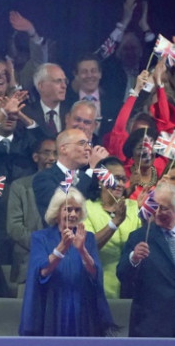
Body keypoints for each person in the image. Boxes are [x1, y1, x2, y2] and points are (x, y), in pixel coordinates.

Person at [117, 182, 175, 337]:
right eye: (155, 206)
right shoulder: (139, 237)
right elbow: (122, 275)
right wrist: (133, 258)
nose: (158, 212)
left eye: (164, 208)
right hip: (149, 327)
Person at [19, 187, 114, 336]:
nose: (73, 214)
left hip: (82, 305)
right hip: (51, 305)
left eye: (77, 210)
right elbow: (41, 272)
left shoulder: (87, 238)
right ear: (57, 212)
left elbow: (95, 273)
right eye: (68, 209)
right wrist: (61, 248)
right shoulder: (40, 238)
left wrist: (82, 250)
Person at [83, 157, 140, 299]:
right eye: (116, 179)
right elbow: (87, 246)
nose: (121, 184)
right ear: (101, 181)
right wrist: (114, 223)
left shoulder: (133, 207)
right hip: (98, 286)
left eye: (123, 179)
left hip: (131, 287)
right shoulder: (86, 208)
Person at [6, 138, 57, 283]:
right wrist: (45, 247)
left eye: (56, 153)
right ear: (36, 157)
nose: (52, 158)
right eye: (47, 153)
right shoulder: (20, 186)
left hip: (62, 263)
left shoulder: (68, 186)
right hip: (28, 264)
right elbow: (14, 228)